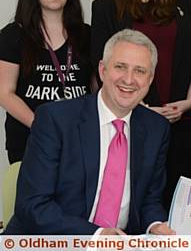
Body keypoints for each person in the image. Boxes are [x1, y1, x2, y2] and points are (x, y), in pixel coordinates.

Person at [4, 29, 174, 235]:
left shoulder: (156, 128)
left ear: (150, 78)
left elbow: (149, 200)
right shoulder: (56, 120)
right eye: (120, 67)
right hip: (52, 243)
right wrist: (96, 235)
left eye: (140, 71)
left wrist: (155, 225)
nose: (129, 80)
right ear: (102, 70)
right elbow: (32, 205)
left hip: (118, 245)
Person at [91, 0, 191, 208]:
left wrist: (189, 101)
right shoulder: (107, 6)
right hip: (131, 118)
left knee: (179, 197)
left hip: (184, 118)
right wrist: (139, 107)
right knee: (136, 194)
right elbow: (102, 66)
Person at [0, 0, 91, 164]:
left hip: (79, 138)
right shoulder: (13, 35)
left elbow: (97, 88)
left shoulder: (87, 34)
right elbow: (4, 93)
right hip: (30, 139)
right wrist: (41, 125)